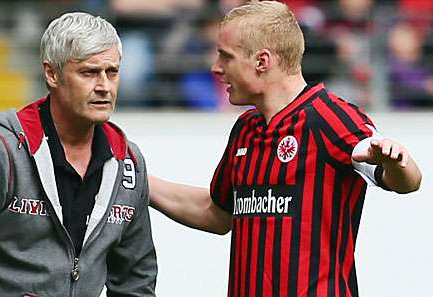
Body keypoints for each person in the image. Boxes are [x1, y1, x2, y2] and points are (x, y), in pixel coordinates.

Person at [149, 1, 422, 297]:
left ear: (262, 61)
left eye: (226, 57)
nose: (216, 67)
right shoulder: (245, 129)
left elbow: (406, 181)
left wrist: (398, 162)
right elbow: (216, 213)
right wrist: (140, 183)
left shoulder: (332, 118)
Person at [0, 12, 157, 297]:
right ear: (52, 74)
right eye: (89, 72)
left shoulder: (128, 163)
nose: (104, 86)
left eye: (112, 72)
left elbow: (135, 280)